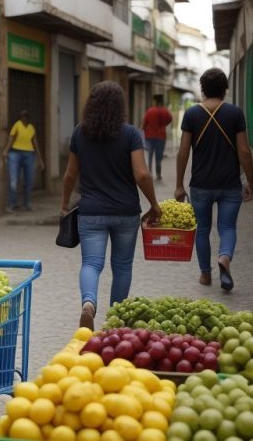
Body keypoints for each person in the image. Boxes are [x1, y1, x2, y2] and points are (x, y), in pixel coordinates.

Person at [61, 81, 160, 330]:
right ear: (120, 107)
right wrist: (154, 204)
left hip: (91, 211)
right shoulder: (131, 134)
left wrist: (64, 205)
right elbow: (142, 174)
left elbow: (70, 175)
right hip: (126, 212)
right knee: (122, 266)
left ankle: (88, 304)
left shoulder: (79, 133)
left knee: (92, 263)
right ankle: (115, 321)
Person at [175, 68, 253, 291]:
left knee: (202, 230)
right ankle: (225, 257)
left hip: (200, 184)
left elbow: (183, 151)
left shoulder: (191, 114)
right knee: (227, 227)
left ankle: (205, 275)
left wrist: (179, 184)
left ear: (202, 89)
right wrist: (251, 181)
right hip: (229, 184)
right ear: (225, 89)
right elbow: (244, 152)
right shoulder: (235, 113)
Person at [4, 110, 44, 212]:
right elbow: (11, 138)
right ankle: (12, 204)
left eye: (26, 116)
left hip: (29, 155)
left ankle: (27, 203)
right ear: (20, 117)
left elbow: (35, 144)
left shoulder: (31, 128)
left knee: (29, 180)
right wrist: (6, 151)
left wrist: (40, 159)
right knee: (13, 180)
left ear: (28, 118)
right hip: (15, 153)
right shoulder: (17, 125)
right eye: (23, 116)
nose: (24, 118)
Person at [142, 96, 173, 181]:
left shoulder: (150, 111)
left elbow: (144, 122)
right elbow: (170, 119)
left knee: (150, 155)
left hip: (150, 137)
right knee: (159, 156)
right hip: (161, 137)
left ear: (155, 101)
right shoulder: (165, 111)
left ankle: (150, 173)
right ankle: (158, 174)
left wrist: (144, 129)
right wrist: (163, 125)